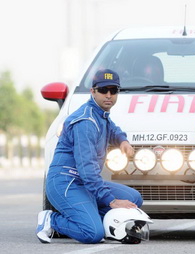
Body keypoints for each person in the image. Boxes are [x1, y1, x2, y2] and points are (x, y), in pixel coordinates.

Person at [36, 69, 143, 244]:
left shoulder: (99, 114)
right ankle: (51, 220)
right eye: (103, 90)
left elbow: (112, 128)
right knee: (92, 233)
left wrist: (122, 140)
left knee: (133, 199)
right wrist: (111, 201)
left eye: (113, 90)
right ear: (92, 91)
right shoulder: (86, 122)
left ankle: (90, 217)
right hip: (66, 181)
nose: (109, 95)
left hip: (82, 182)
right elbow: (87, 169)